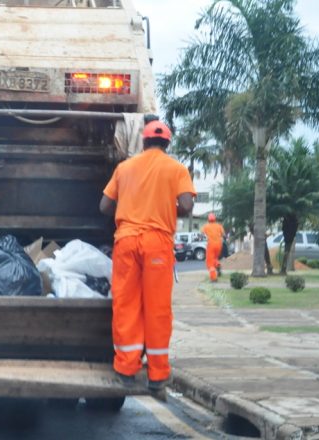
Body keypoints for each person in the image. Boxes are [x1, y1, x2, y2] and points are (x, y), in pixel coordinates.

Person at [99, 120, 195, 401]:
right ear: (167, 143)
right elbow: (187, 206)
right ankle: (156, 377)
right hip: (157, 244)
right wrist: (163, 206)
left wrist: (130, 205)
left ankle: (126, 371)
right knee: (156, 309)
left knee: (126, 304)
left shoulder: (124, 168)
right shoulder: (176, 169)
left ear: (143, 142)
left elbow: (104, 206)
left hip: (126, 241)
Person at [201, 213, 225, 281]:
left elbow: (202, 234)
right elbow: (223, 234)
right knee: (215, 257)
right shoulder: (219, 226)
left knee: (210, 261)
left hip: (211, 244)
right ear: (215, 219)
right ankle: (217, 265)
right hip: (219, 244)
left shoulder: (206, 226)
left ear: (208, 219)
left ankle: (213, 278)